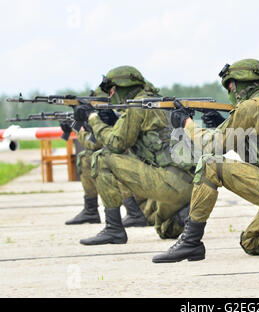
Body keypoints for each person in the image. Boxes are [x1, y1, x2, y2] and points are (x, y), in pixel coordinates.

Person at [152, 58, 259, 263]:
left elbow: (212, 147)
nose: (231, 91)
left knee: (210, 165)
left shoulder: (250, 106)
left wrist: (186, 123)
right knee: (251, 242)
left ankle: (191, 242)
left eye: (231, 85)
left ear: (243, 84)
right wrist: (222, 123)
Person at [73, 65, 195, 245]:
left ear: (123, 87)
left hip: (169, 181)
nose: (110, 96)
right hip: (188, 183)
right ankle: (183, 211)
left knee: (101, 158)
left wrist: (93, 119)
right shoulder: (157, 101)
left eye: (112, 90)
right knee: (165, 230)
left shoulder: (137, 106)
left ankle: (114, 229)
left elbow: (116, 144)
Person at [63, 86, 149, 228]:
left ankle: (134, 213)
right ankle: (91, 210)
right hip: (143, 178)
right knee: (86, 157)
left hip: (145, 183)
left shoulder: (128, 112)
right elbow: (94, 143)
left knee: (110, 161)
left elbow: (94, 144)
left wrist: (82, 126)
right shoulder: (123, 111)